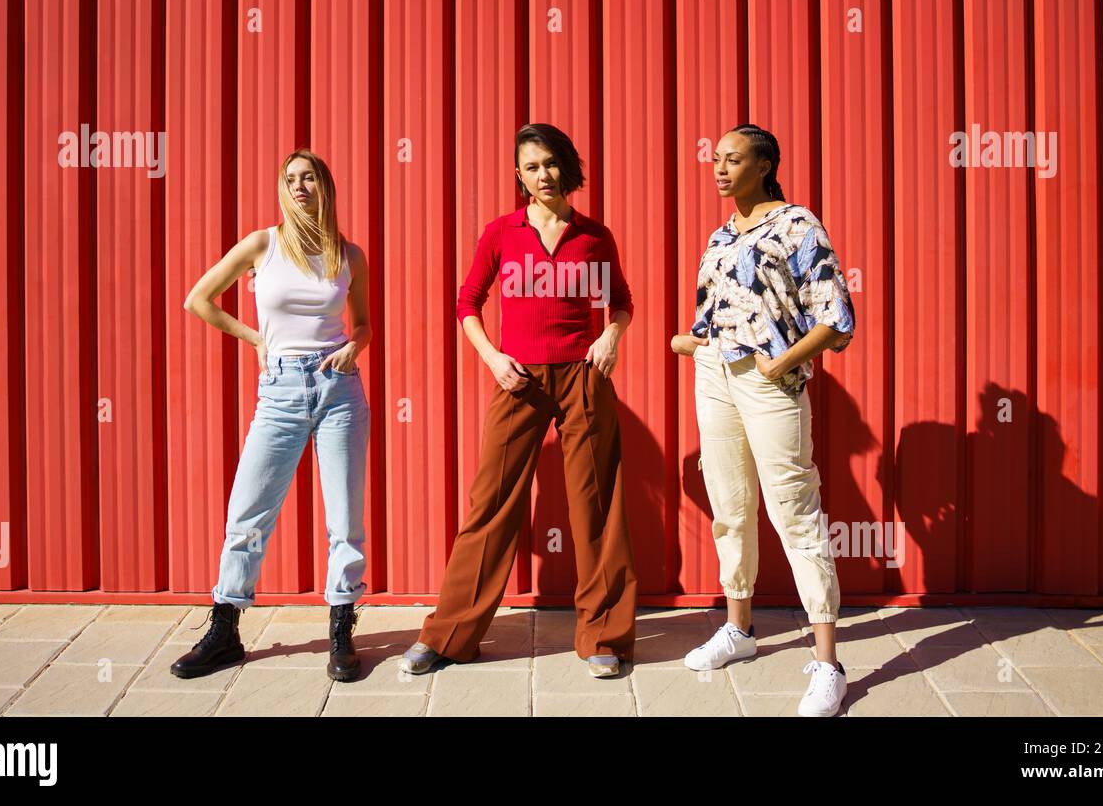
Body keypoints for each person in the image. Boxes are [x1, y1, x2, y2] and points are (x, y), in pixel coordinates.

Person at [400, 123, 638, 679]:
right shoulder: (501, 233)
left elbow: (622, 302)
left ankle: (603, 636)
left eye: (551, 164)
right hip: (519, 378)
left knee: (595, 508)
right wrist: (493, 358)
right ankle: (450, 635)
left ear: (566, 167)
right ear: (519, 176)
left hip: (583, 377)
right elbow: (468, 302)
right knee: (491, 504)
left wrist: (611, 336)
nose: (543, 175)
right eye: (531, 167)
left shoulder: (593, 236)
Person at [670, 123, 855, 716]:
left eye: (734, 159)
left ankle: (829, 664)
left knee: (795, 513)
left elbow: (837, 316)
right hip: (715, 378)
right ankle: (740, 631)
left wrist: (784, 364)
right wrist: (693, 343)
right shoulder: (721, 235)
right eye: (716, 159)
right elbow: (711, 313)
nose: (720, 168)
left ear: (765, 164)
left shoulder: (798, 225)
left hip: (770, 384)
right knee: (729, 508)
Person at [171, 148, 372, 682]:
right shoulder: (264, 244)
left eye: (308, 178)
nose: (299, 186)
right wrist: (255, 337)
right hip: (280, 391)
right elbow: (198, 299)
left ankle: (341, 628)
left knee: (345, 520)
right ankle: (224, 629)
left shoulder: (348, 255)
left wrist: (356, 345)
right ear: (282, 189)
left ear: (324, 186)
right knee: (248, 513)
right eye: (290, 179)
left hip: (339, 392)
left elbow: (366, 323)